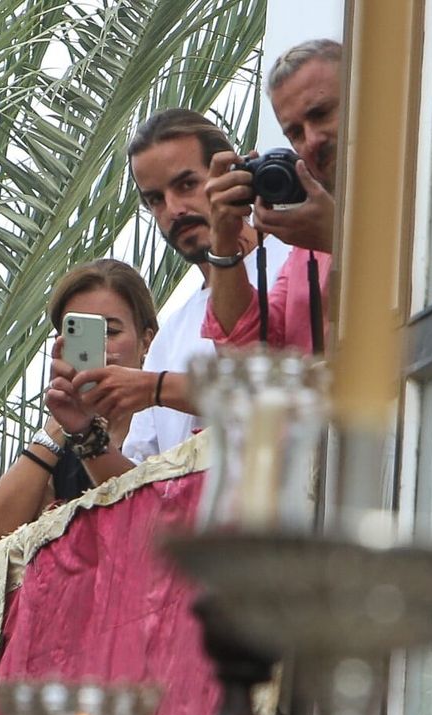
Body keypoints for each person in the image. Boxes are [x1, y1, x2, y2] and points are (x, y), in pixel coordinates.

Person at [109, 109, 290, 462]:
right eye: (155, 199)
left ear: (229, 173)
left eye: (186, 185)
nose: (173, 209)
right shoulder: (168, 336)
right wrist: (81, 434)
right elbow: (140, 486)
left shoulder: (296, 261)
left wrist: (155, 388)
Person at [0, 260, 156, 543]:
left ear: (146, 341)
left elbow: (146, 514)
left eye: (110, 332)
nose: (101, 348)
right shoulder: (61, 446)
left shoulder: (166, 420)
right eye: (81, 336)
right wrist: (60, 426)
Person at [203, 39, 340, 351]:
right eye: (294, 133)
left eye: (321, 114)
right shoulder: (306, 250)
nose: (313, 140)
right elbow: (243, 355)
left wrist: (338, 237)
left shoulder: (424, 188)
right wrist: (223, 242)